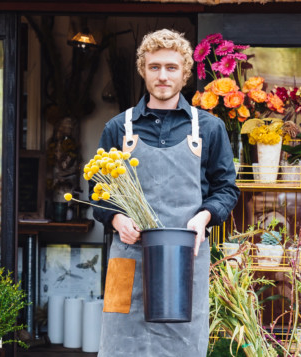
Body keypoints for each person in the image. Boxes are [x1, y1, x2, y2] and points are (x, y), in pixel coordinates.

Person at [93, 29, 239, 356]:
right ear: (143, 70)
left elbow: (226, 190)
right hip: (127, 260)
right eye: (154, 66)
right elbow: (98, 193)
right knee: (120, 344)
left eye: (171, 68)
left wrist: (204, 217)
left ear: (185, 74)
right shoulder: (119, 128)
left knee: (183, 346)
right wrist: (117, 219)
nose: (162, 75)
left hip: (185, 262)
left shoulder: (209, 129)